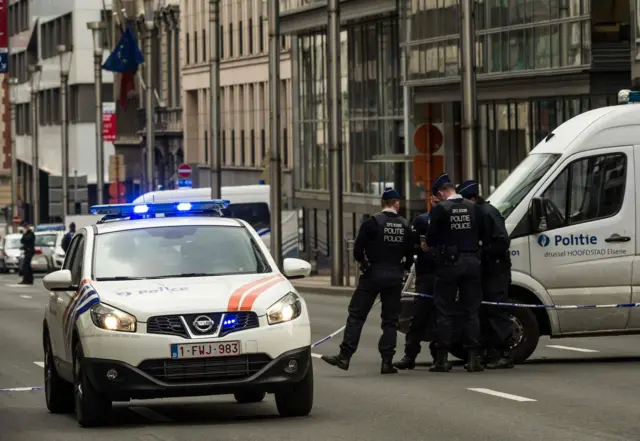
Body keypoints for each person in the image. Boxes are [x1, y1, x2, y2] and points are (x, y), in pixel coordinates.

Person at [322, 188, 414, 374]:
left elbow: (357, 250)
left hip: (372, 275)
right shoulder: (405, 225)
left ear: (382, 203)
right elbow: (410, 255)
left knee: (356, 316)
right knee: (389, 321)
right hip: (394, 277)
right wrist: (402, 270)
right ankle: (387, 362)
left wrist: (364, 264)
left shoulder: (372, 223)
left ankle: (345, 356)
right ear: (396, 203)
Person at [427, 178, 487, 372]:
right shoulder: (473, 207)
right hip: (472, 263)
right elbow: (483, 234)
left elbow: (431, 238)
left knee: (444, 311)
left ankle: (442, 358)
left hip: (448, 264)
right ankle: (473, 359)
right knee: (472, 311)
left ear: (441, 193)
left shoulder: (441, 209)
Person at [393, 177, 449, 370]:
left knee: (441, 318)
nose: (436, 205)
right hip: (426, 274)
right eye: (434, 201)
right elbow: (412, 245)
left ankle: (440, 356)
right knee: (418, 317)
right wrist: (421, 250)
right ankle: (410, 355)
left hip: (444, 274)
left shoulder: (449, 219)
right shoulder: (421, 220)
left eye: (439, 202)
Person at [457, 180, 514, 369]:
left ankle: (504, 353)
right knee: (484, 311)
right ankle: (490, 352)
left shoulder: (488, 213)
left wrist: (482, 251)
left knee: (497, 309)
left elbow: (502, 242)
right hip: (485, 269)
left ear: (473, 198)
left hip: (495, 269)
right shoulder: (477, 212)